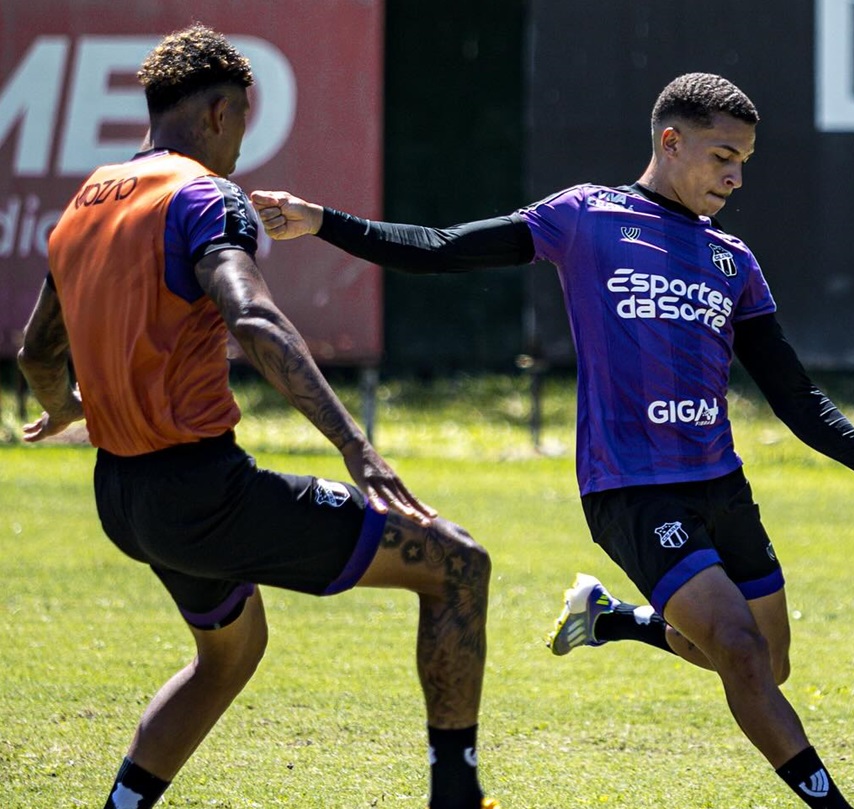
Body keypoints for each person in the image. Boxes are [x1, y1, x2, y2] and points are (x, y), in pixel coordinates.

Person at [251, 72, 854, 808]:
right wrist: (322, 220)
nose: (736, 177)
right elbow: (441, 247)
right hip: (632, 490)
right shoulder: (587, 217)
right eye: (723, 157)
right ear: (671, 141)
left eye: (744, 161)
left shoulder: (733, 259)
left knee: (768, 663)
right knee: (740, 651)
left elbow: (795, 397)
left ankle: (615, 619)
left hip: (720, 484)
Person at [16, 24, 498, 809]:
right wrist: (355, 446)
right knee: (456, 564)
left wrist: (64, 406)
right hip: (204, 493)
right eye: (243, 117)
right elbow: (255, 319)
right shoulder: (204, 197)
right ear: (219, 113)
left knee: (230, 655)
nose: (241, 138)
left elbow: (37, 350)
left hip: (122, 498)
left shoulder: (84, 203)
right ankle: (457, 799)